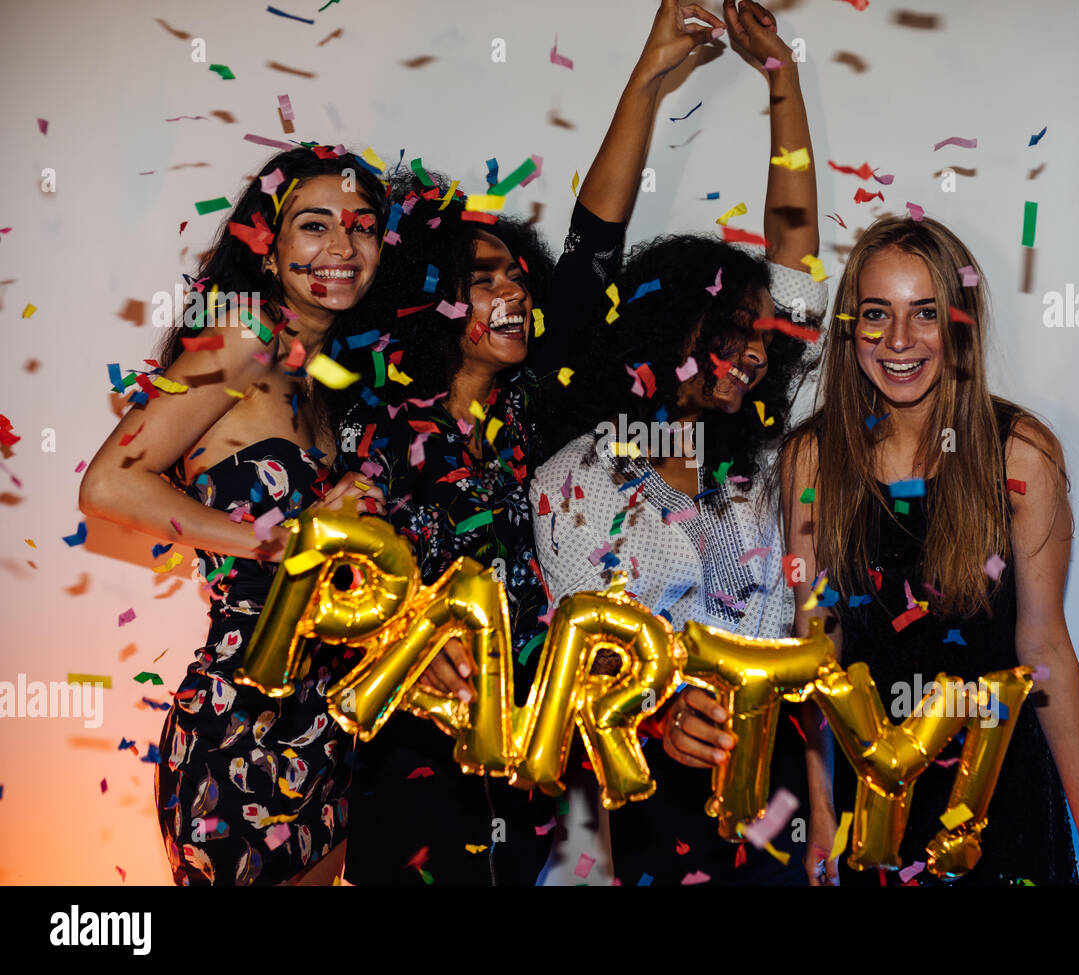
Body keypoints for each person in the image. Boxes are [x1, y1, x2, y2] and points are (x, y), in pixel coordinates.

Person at [325, 0, 727, 887]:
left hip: (534, 763)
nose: (511, 286)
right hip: (410, 764)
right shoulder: (370, 429)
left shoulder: (538, 412)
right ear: (433, 302)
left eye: (514, 270)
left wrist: (650, 72)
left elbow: (594, 246)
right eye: (482, 277)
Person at [531, 0, 835, 885]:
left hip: (780, 772)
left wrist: (782, 82)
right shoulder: (576, 476)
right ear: (664, 334)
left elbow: (794, 250)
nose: (747, 353)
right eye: (725, 332)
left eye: (754, 334)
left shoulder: (765, 462)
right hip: (652, 787)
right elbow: (586, 661)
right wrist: (663, 718)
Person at [779, 212, 1079, 885]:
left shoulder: (1021, 453)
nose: (899, 340)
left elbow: (1045, 650)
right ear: (850, 327)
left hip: (1000, 804)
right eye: (875, 313)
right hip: (876, 812)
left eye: (925, 313)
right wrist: (823, 810)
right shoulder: (812, 457)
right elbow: (816, 655)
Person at [78, 146, 390, 885]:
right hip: (241, 716)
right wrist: (271, 540)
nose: (342, 248)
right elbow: (108, 486)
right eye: (314, 226)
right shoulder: (243, 338)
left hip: (330, 722)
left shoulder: (332, 381)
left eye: (363, 227)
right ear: (268, 246)